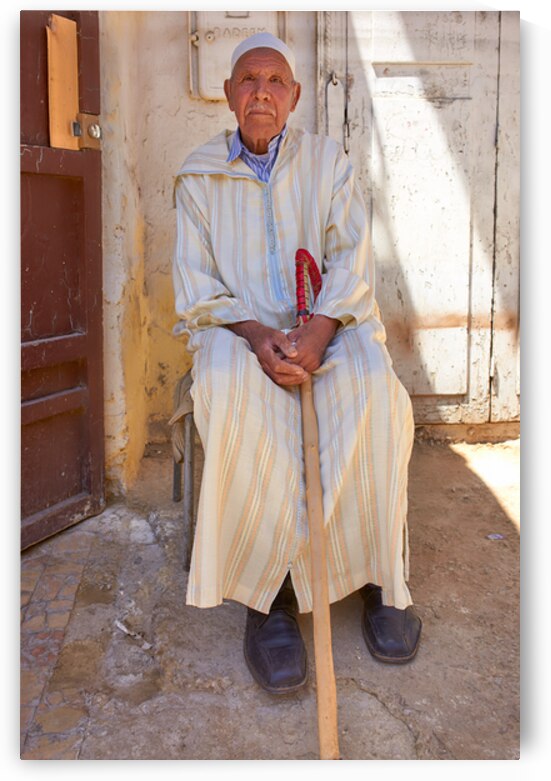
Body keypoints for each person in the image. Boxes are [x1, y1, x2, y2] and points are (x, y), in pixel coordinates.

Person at [172, 32, 421, 694]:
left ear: (294, 96)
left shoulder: (327, 162)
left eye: (275, 80)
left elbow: (349, 257)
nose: (261, 90)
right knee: (228, 391)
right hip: (239, 329)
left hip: (324, 322)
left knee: (372, 386)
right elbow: (196, 288)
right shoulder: (197, 176)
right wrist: (258, 337)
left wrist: (315, 333)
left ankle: (376, 577)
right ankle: (272, 597)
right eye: (247, 79)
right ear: (227, 95)